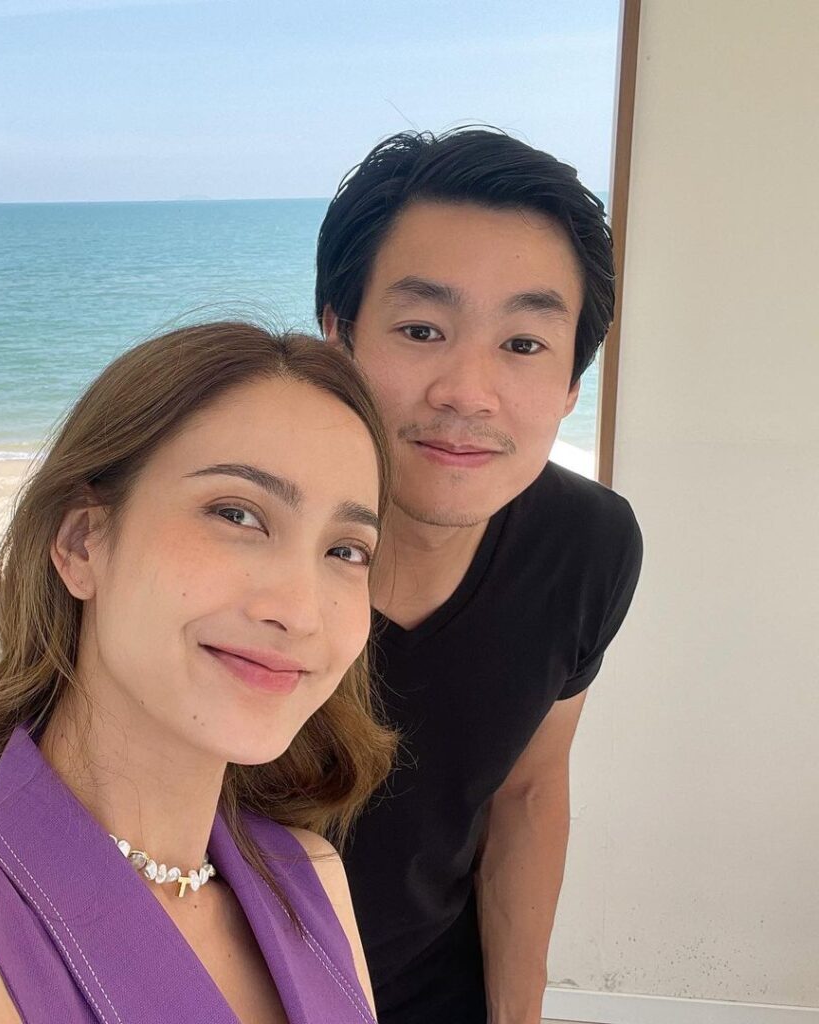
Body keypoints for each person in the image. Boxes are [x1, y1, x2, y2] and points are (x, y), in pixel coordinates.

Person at [0, 322, 399, 1024]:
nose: (300, 612)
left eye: (347, 551)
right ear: (82, 543)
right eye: (237, 514)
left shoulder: (311, 880)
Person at [315, 128, 644, 1024]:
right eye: (422, 330)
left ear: (572, 384)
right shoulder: (238, 555)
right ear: (338, 337)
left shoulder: (587, 547)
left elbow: (528, 790)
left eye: (524, 344)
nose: (467, 391)